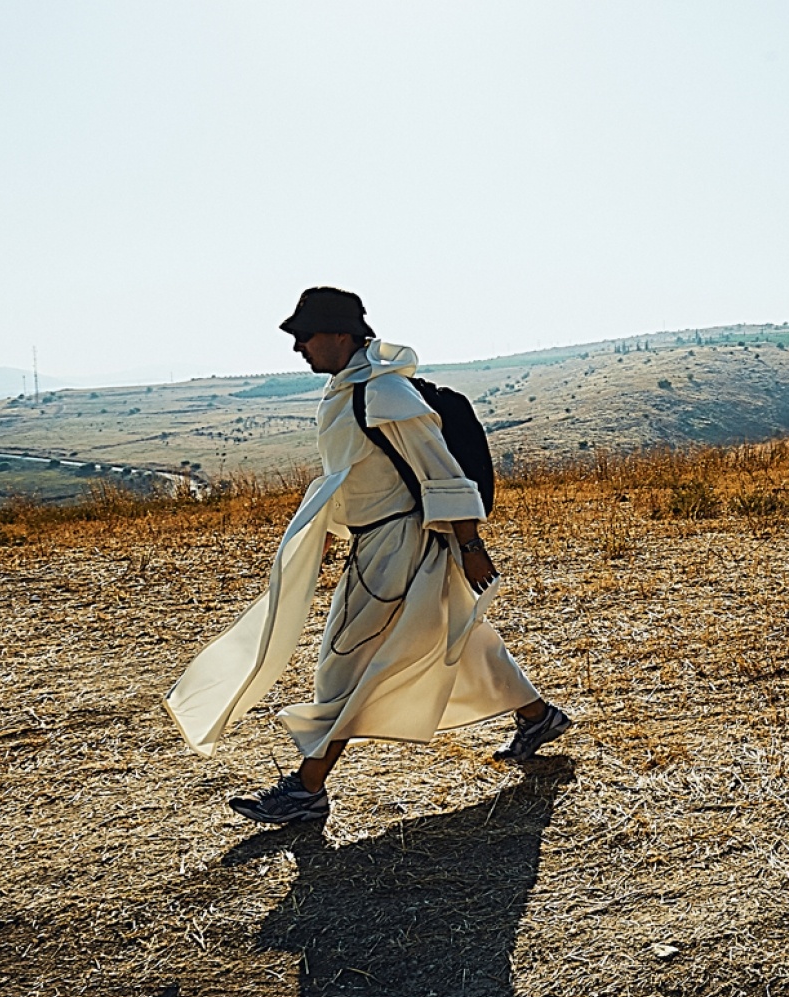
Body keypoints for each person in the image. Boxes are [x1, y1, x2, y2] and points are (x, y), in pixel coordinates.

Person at [163, 286, 571, 824]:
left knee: (344, 663)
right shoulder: (352, 390)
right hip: (384, 541)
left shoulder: (383, 394)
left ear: (339, 334)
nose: (297, 347)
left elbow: (442, 473)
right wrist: (333, 528)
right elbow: (360, 475)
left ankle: (307, 789)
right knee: (456, 635)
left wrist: (470, 545)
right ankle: (537, 717)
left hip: (399, 546)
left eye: (304, 335)